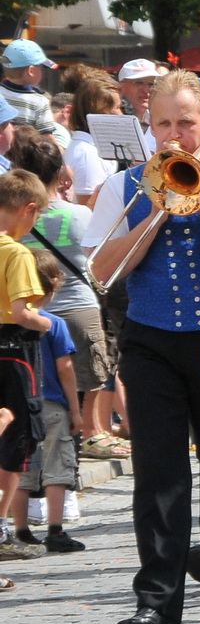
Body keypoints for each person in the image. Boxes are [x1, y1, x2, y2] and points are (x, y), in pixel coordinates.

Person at [86, 70, 200, 624]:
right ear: (147, 125)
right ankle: (158, 599)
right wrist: (155, 204)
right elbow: (102, 271)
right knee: (159, 470)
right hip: (151, 339)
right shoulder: (124, 187)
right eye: (162, 123)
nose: (174, 135)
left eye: (185, 123)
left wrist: (199, 190)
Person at [11, 131, 111, 494]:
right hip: (79, 309)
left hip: (30, 315)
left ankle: (32, 484)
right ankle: (67, 479)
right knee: (80, 398)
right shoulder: (80, 214)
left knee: (33, 400)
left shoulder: (14, 218)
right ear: (60, 172)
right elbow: (97, 262)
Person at [4, 252, 84, 552]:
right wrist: (76, 411)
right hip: (51, 405)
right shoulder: (53, 323)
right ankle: (55, 529)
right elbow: (65, 368)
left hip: (17, 404)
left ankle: (21, 529)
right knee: (57, 465)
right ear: (53, 286)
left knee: (22, 466)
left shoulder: (8, 322)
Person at [0, 170, 51, 561]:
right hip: (13, 352)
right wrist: (47, 322)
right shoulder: (16, 252)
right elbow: (21, 312)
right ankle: (2, 527)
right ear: (28, 210)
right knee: (18, 437)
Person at [65, 70, 121, 207]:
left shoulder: (90, 149)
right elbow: (90, 208)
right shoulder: (88, 155)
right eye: (118, 108)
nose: (121, 114)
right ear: (102, 112)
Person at [1, 40, 59, 142]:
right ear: (31, 71)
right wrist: (62, 155)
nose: (43, 72)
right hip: (25, 155)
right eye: (41, 68)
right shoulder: (40, 101)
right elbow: (47, 137)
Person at [117, 59, 159, 125]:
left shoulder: (159, 121)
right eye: (139, 83)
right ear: (121, 87)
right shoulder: (113, 122)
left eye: (151, 84)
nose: (146, 90)